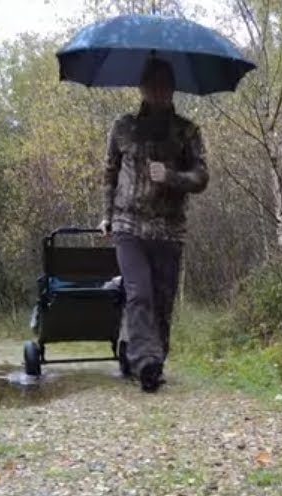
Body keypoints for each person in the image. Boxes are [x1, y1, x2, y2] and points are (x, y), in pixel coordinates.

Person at [100, 58, 209, 392]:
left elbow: (202, 177)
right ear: (142, 88)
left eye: (164, 85)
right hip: (128, 224)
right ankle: (147, 363)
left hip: (169, 229)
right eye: (152, 84)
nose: (158, 91)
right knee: (139, 293)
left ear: (172, 89)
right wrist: (106, 215)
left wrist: (172, 176)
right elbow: (110, 173)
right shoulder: (123, 127)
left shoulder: (187, 131)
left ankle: (147, 354)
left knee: (162, 299)